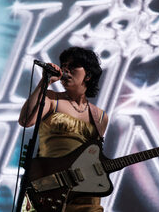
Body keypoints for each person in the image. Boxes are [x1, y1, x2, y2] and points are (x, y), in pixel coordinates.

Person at [18, 46, 108, 212]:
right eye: (64, 65)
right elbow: (25, 120)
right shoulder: (51, 99)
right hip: (49, 185)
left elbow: (93, 154)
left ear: (88, 75)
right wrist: (44, 82)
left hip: (84, 192)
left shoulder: (100, 116)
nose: (66, 69)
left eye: (73, 66)